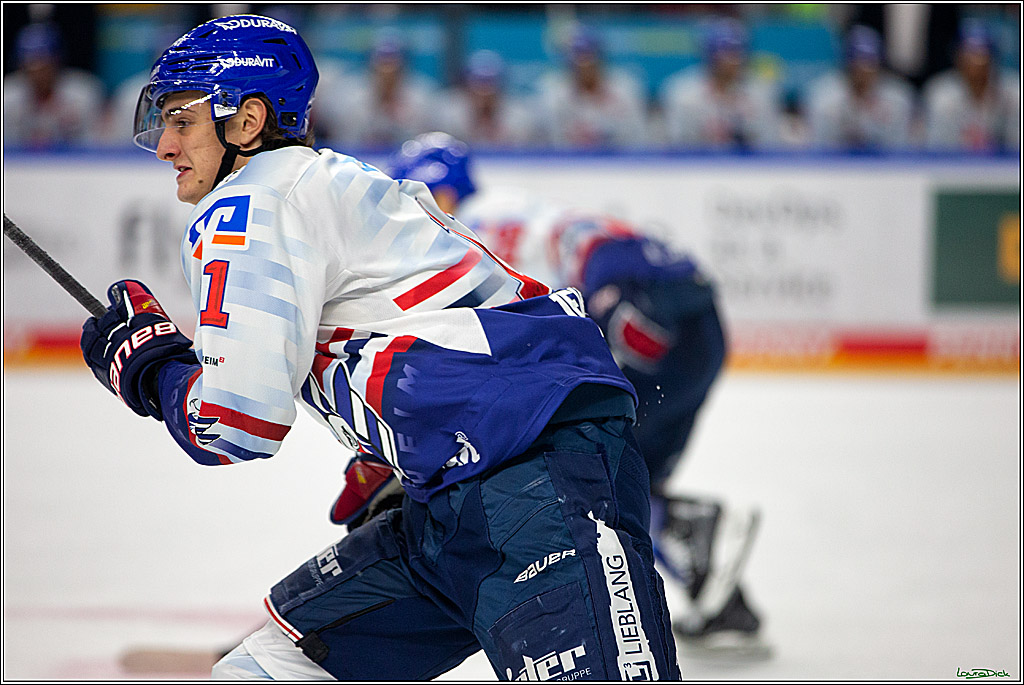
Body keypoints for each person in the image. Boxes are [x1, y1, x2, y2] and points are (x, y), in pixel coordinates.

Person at [79, 15, 680, 681]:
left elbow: (238, 422)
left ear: (247, 123)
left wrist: (151, 369)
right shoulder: (334, 182)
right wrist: (397, 449)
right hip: (459, 501)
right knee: (265, 669)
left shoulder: (249, 201)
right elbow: (445, 325)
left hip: (538, 491)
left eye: (181, 121)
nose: (163, 145)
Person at [386, 132, 770, 659]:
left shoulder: (472, 224)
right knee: (624, 476)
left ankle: (697, 528)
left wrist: (621, 303)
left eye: (428, 194)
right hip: (692, 321)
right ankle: (723, 596)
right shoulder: (499, 209)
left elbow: (584, 246)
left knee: (592, 469)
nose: (422, 208)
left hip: (648, 310)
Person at [658, 18, 784, 150]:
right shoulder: (683, 94)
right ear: (711, 54)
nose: (735, 59)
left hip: (749, 168)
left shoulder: (761, 94)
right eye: (728, 52)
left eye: (739, 51)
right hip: (696, 167)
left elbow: (771, 148)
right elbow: (676, 149)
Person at [317, 29, 438, 148]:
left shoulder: (422, 98)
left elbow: (424, 143)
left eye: (393, 66)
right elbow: (342, 141)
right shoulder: (349, 96)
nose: (387, 74)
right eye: (382, 66)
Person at [803, 24, 916, 151]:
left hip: (885, 166)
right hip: (833, 166)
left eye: (870, 65)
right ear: (847, 65)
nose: (864, 73)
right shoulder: (823, 96)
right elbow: (818, 148)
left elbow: (900, 149)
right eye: (858, 65)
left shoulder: (898, 98)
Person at [535, 26, 650, 148]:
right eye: (577, 56)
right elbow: (544, 143)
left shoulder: (625, 88)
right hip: (565, 163)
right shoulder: (551, 92)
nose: (584, 63)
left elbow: (639, 139)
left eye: (589, 55)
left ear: (600, 57)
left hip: (618, 162)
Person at [921, 18, 1020, 152]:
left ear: (993, 57)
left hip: (1005, 168)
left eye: (982, 54)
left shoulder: (1014, 91)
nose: (976, 62)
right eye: (970, 54)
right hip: (955, 167)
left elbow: (1016, 147)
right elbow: (939, 148)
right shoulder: (940, 93)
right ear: (958, 57)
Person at [3, 21, 106, 148]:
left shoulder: (83, 93)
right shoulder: (7, 95)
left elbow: (96, 145)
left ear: (56, 61)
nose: (38, 74)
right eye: (30, 65)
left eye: (43, 65)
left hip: (73, 164)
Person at [431, 49, 542, 148]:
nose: (484, 91)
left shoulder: (519, 117)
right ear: (465, 85)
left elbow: (526, 156)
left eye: (489, 84)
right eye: (478, 83)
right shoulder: (447, 113)